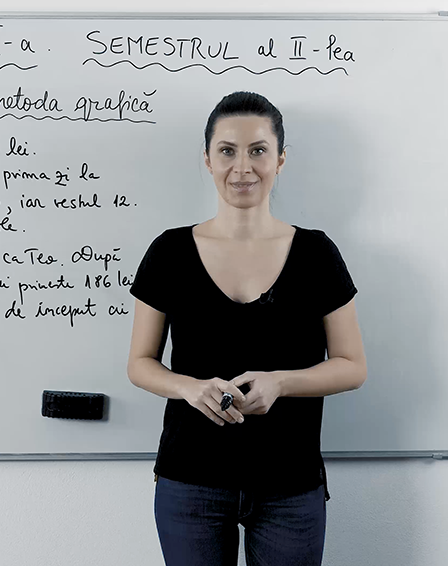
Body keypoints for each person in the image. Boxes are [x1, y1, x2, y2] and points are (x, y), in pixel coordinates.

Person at [126, 91, 368, 566]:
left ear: (280, 160)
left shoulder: (317, 254)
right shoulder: (169, 252)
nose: (243, 167)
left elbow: (352, 366)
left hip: (290, 485)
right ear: (207, 159)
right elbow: (139, 363)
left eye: (258, 150)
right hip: (190, 481)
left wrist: (281, 383)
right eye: (227, 151)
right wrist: (190, 388)